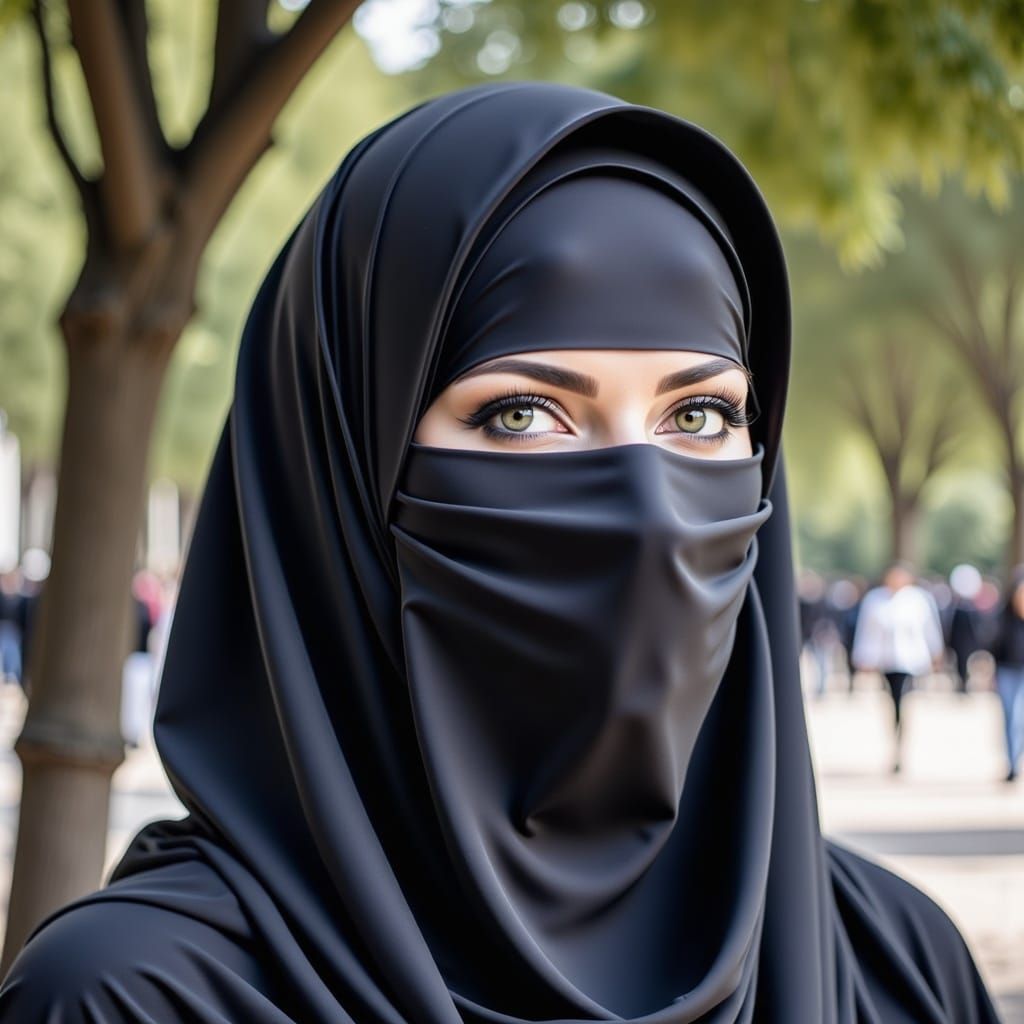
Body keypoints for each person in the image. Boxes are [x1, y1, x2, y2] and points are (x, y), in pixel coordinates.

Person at [0, 81, 1000, 1023]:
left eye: (698, 412)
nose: (647, 507)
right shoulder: (136, 998)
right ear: (341, 474)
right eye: (523, 413)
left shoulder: (897, 965)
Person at [851, 562, 945, 772]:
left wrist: (936, 654)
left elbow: (930, 629)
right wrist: (863, 657)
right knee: (892, 701)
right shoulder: (875, 599)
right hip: (886, 660)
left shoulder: (918, 599)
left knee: (903, 700)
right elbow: (866, 631)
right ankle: (895, 738)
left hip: (911, 661)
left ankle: (902, 741)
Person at [989, 567, 1024, 782]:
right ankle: (1012, 762)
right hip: (1007, 670)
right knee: (1012, 716)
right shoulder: (1004, 617)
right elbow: (993, 643)